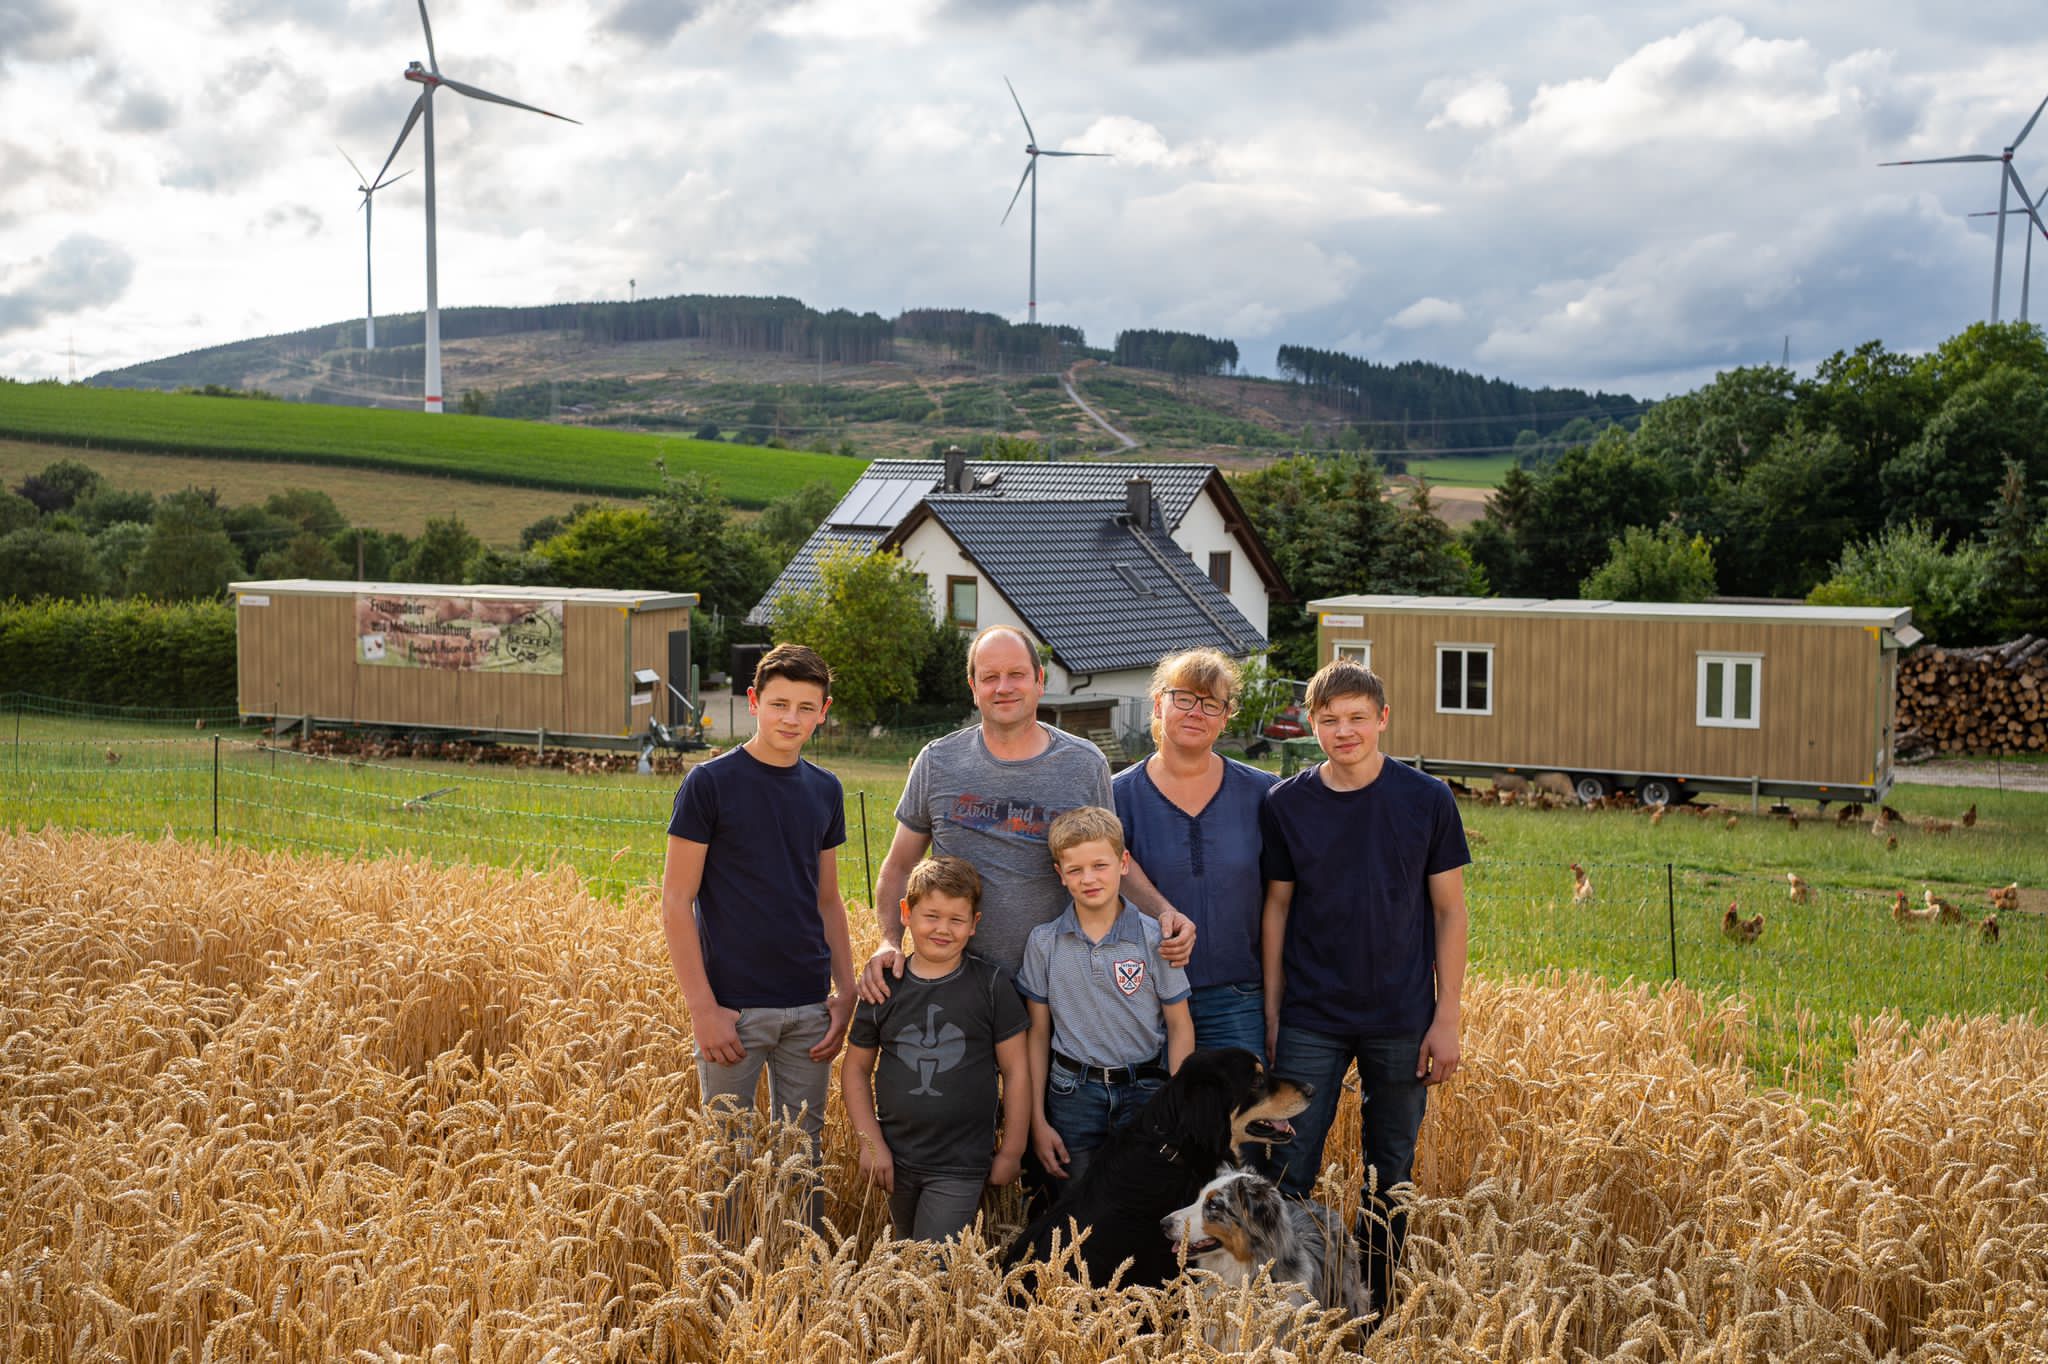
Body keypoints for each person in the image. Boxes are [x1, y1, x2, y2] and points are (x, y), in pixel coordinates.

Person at [1259, 658, 1470, 1318]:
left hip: (1402, 1016)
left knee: (1390, 1172)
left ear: (1383, 719)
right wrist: (1273, 1012)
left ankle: (1371, 1306)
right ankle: (1291, 1301)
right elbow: (1277, 909)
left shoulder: (1426, 800)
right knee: (1286, 1166)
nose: (1344, 730)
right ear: (1311, 725)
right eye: (1329, 720)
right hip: (1311, 1015)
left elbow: (1450, 912)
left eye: (1357, 717)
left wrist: (1446, 1017)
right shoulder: (1286, 803)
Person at [858, 625, 1195, 998]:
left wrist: (1163, 911)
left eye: (1016, 674)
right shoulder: (938, 762)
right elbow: (899, 866)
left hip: (1062, 984)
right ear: (973, 688)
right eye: (990, 677)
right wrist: (889, 941)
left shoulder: (1084, 764)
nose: (1003, 687)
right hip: (960, 985)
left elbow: (1111, 864)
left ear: (1039, 681)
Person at [659, 642, 857, 1169]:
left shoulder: (825, 789)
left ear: (823, 712)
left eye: (806, 707)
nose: (791, 719)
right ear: (753, 701)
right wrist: (703, 1010)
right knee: (726, 1160)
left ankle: (795, 1231)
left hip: (809, 1008)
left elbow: (828, 899)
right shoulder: (709, 784)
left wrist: (846, 991)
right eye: (779, 704)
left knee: (802, 1159)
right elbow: (676, 902)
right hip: (733, 1009)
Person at [842, 856, 1032, 1241]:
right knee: (904, 1256)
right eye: (931, 916)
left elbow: (1016, 1072)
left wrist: (1012, 1151)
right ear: (906, 913)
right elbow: (855, 1068)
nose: (943, 929)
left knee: (933, 1263)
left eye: (956, 919)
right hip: (895, 1158)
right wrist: (871, 1144)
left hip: (959, 1163)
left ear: (974, 923)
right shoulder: (884, 987)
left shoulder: (990, 986)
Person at [1018, 806, 1195, 1186]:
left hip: (1145, 1091)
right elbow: (1037, 1034)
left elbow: (1180, 1026)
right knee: (1078, 1203)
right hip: (1072, 1095)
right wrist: (1038, 1121)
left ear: (1123, 863)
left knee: (1142, 1198)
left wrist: (1177, 1106)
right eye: (1075, 870)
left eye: (1100, 865)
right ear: (1060, 874)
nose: (1089, 879)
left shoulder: (1154, 939)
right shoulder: (1044, 943)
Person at [1112, 648, 1276, 1056]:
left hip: (1237, 996)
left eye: (1210, 703)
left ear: (1226, 716)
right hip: (1143, 993)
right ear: (1158, 704)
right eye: (1183, 698)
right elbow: (1108, 873)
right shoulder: (1118, 796)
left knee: (1238, 1100)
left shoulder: (1263, 794)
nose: (1195, 712)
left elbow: (1284, 896)